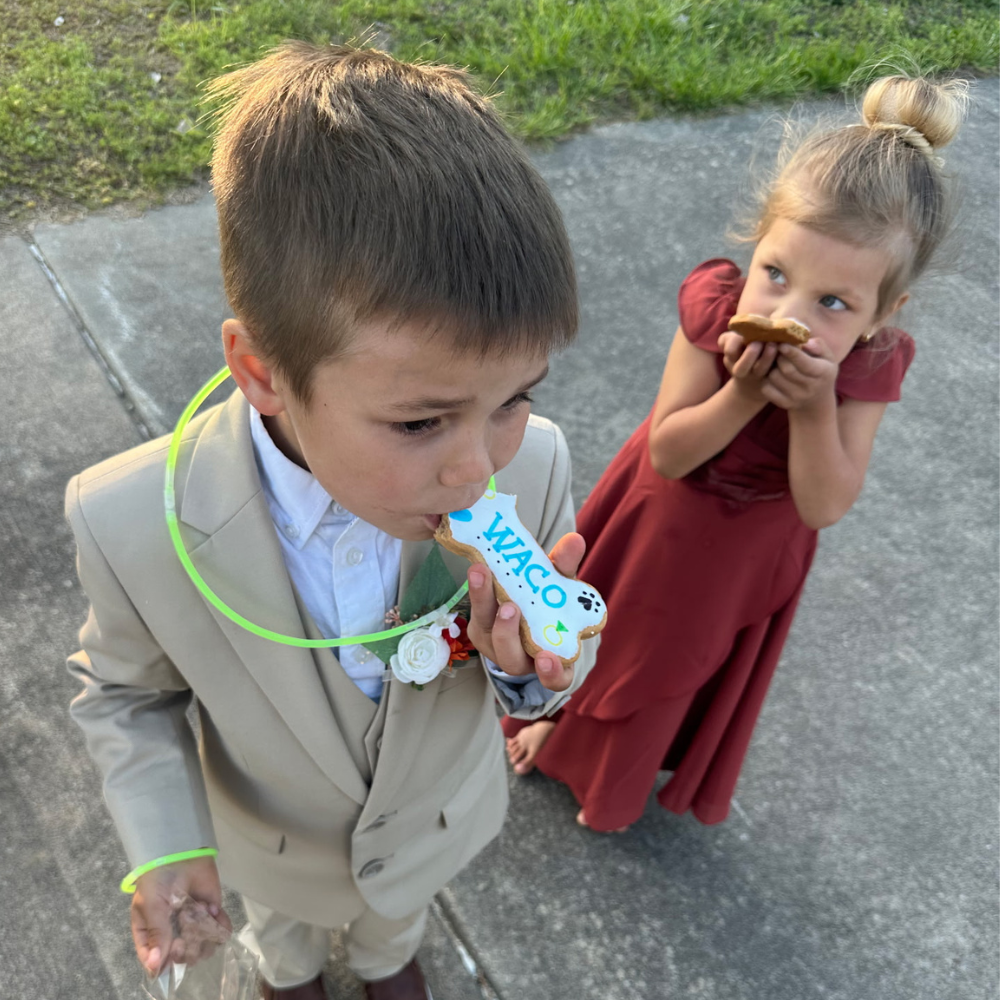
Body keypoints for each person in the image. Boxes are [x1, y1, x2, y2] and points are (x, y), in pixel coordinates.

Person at [65, 42, 597, 1000]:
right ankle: (290, 972)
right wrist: (164, 845)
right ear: (263, 371)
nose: (479, 465)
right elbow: (125, 698)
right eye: (420, 420)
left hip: (437, 824)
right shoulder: (134, 520)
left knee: (396, 925)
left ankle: (389, 959)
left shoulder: (540, 462)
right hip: (272, 853)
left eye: (515, 397)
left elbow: (555, 658)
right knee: (286, 945)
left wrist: (529, 666)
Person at [503, 73, 967, 832]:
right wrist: (743, 394)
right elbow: (670, 450)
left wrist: (813, 407)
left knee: (672, 667)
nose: (787, 312)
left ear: (884, 314)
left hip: (744, 554)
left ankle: (609, 780)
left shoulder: (868, 370)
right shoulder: (717, 311)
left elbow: (825, 503)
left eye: (834, 303)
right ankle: (555, 720)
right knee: (604, 632)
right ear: (754, 249)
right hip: (660, 519)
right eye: (776, 274)